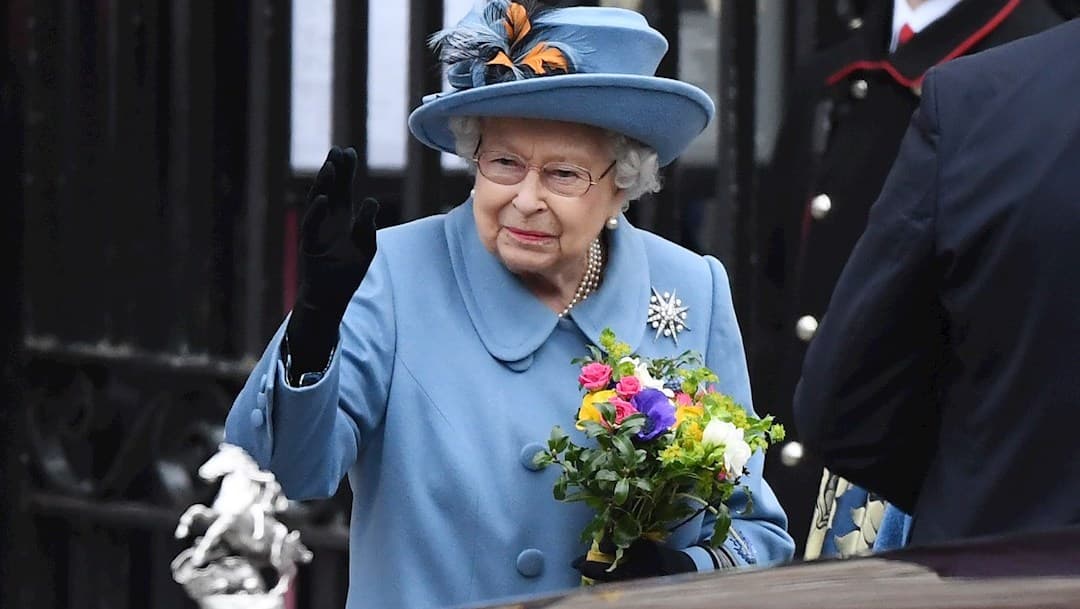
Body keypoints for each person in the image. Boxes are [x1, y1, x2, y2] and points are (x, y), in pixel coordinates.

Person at [224, 2, 795, 608]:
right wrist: (313, 327)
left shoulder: (693, 287)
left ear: (622, 185)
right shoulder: (390, 274)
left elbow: (754, 531)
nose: (525, 199)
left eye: (563, 175)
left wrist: (682, 568)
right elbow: (286, 476)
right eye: (504, 164)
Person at [752, 0, 1063, 556]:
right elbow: (778, 294)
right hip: (811, 479)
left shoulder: (1020, 57)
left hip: (952, 513)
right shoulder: (836, 69)